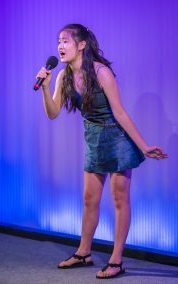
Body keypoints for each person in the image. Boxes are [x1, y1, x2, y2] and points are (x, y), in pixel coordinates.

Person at [36, 24, 168, 279]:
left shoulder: (101, 72)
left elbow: (119, 112)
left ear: (82, 44)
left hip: (116, 139)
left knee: (119, 200)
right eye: (58, 42)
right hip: (94, 140)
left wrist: (144, 146)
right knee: (89, 200)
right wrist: (45, 86)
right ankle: (84, 252)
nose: (60, 46)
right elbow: (52, 113)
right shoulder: (62, 76)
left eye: (66, 41)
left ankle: (116, 260)